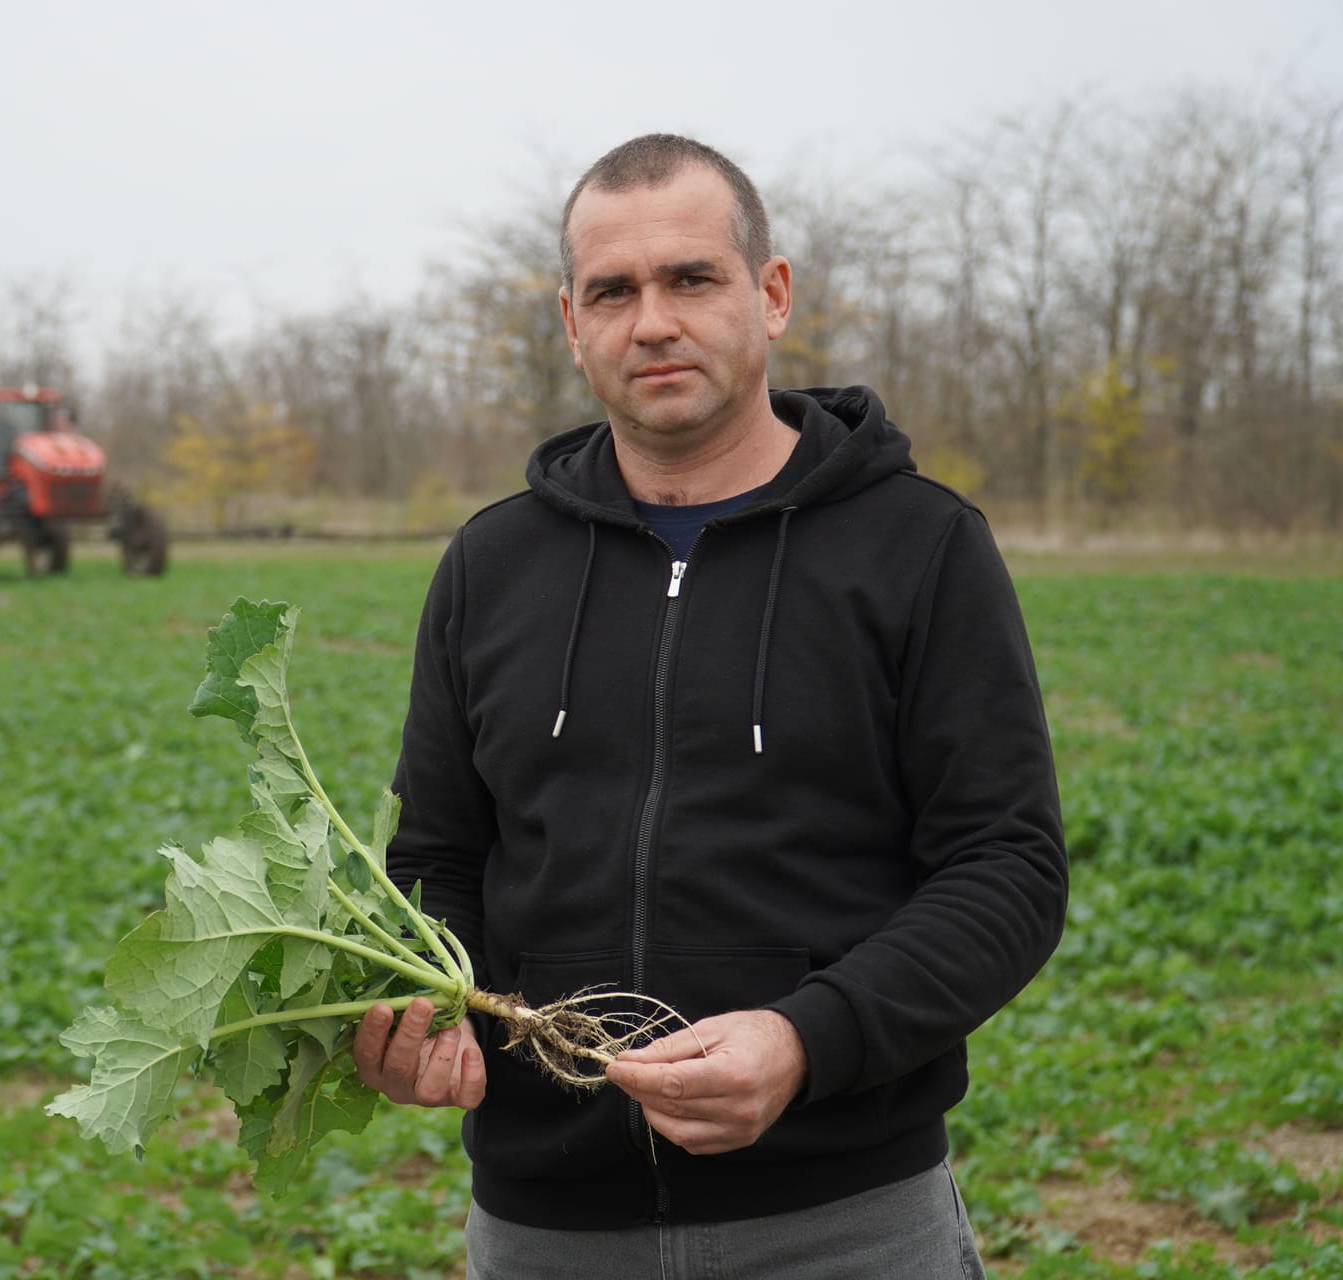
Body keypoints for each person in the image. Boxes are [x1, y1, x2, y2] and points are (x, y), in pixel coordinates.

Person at [351, 133, 1067, 1278]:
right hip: (546, 1231)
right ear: (571, 321)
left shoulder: (918, 546)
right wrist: (416, 1008)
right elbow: (438, 856)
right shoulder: (492, 564)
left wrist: (806, 1037)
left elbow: (1008, 865)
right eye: (613, 291)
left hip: (847, 1222)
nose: (653, 322)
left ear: (770, 294)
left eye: (692, 278)